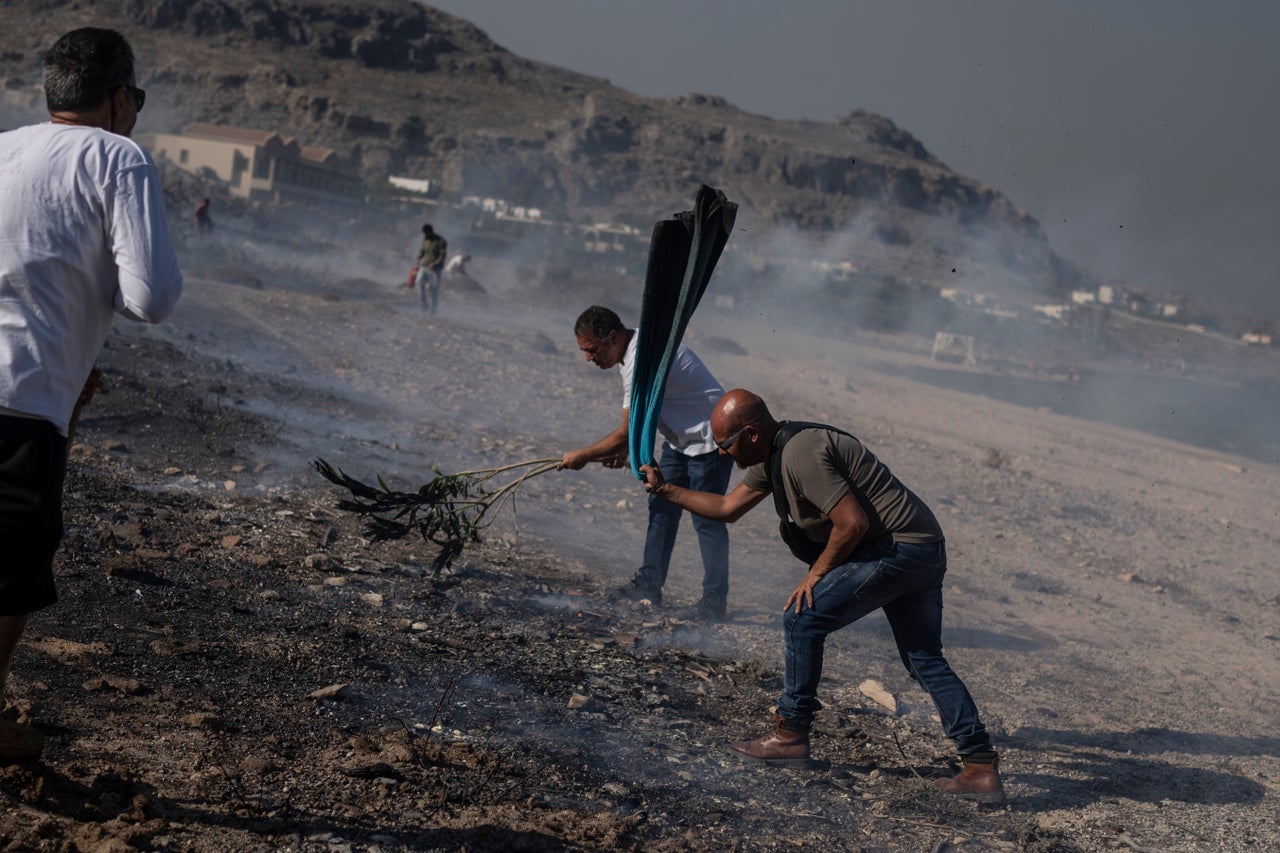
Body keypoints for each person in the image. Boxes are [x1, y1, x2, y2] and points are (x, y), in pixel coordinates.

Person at [639, 389, 1005, 802]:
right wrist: (664, 489)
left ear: (753, 433)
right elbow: (727, 507)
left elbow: (852, 524)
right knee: (923, 659)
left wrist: (815, 574)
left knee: (802, 617)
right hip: (922, 546)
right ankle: (979, 767)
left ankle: (791, 734)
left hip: (899, 549)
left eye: (726, 444)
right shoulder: (772, 455)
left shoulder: (800, 452)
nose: (722, 454)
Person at [0, 27, 183, 761]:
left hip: (33, 387)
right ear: (113, 99)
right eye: (134, 98)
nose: (135, 113)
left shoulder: (4, 145)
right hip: (24, 396)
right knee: (11, 572)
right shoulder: (120, 157)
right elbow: (152, 297)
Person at [560, 306, 734, 621]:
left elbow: (627, 431)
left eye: (591, 350)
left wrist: (582, 456)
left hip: (710, 443)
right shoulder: (628, 353)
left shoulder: (641, 357)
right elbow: (645, 413)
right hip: (679, 441)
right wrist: (629, 451)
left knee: (707, 522)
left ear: (612, 337)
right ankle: (649, 586)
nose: (588, 358)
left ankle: (713, 602)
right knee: (662, 513)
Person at [413, 223, 447, 315]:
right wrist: (418, 258)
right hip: (424, 266)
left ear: (431, 231)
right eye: (425, 234)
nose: (426, 236)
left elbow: (442, 256)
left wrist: (435, 263)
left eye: (427, 233)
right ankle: (423, 304)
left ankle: (433, 310)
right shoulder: (426, 239)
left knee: (434, 289)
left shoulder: (441, 241)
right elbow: (422, 250)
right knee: (418, 282)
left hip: (435, 269)